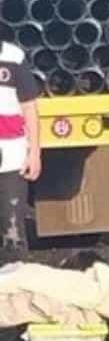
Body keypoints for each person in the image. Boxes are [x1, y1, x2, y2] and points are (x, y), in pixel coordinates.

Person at [0, 37, 41, 254]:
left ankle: (13, 283)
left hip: (11, 156)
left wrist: (34, 153)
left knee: (13, 234)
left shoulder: (13, 56)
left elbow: (29, 107)